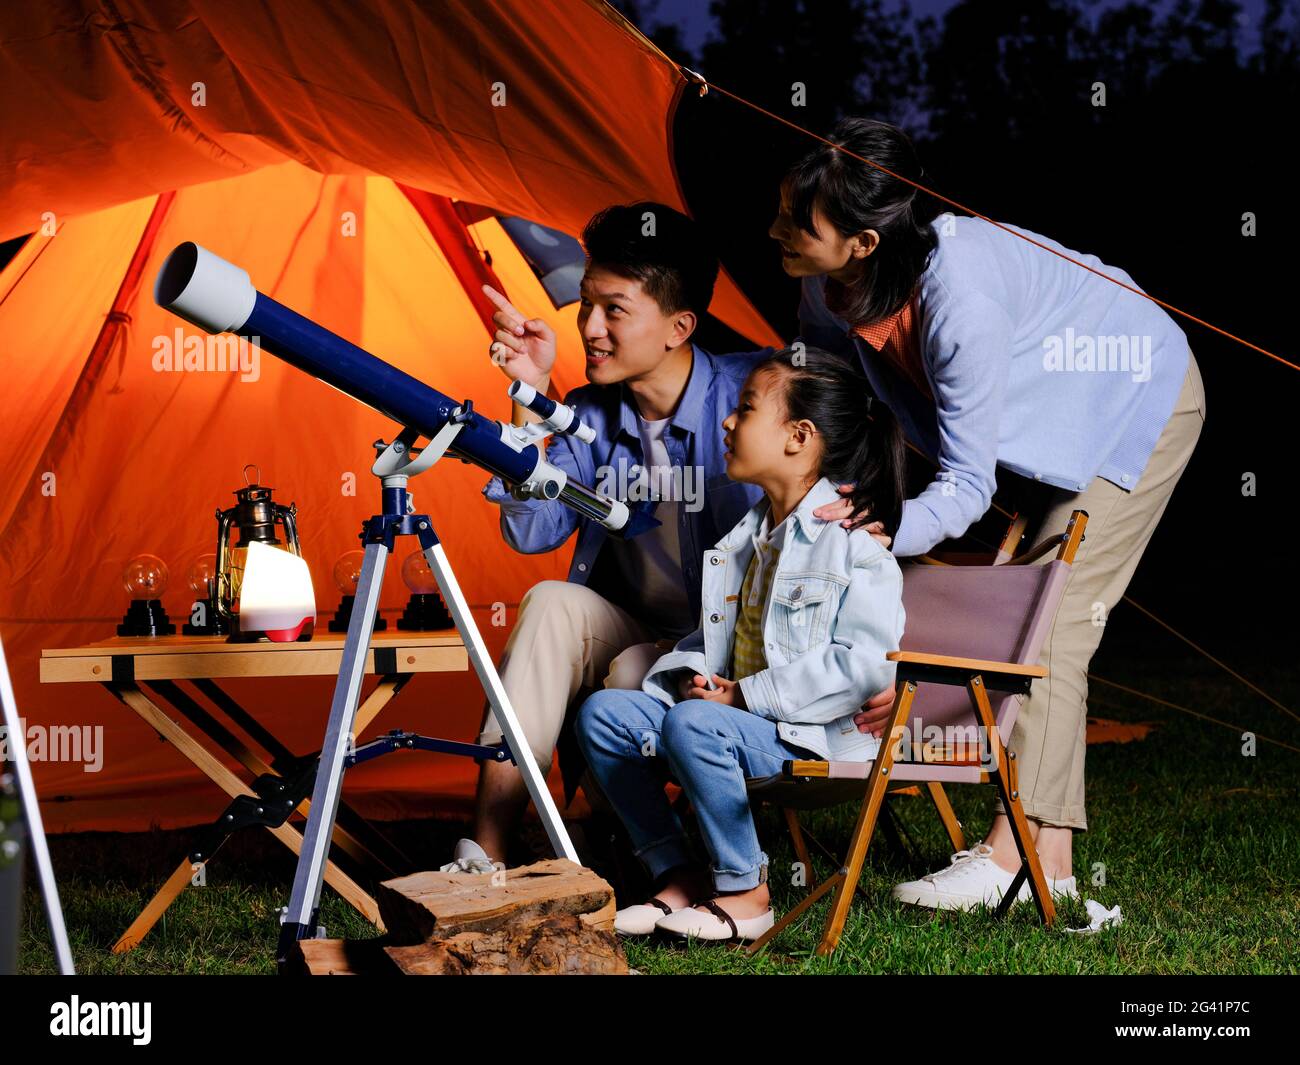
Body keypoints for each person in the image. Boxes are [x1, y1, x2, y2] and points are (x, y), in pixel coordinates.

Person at [770, 117, 1206, 909]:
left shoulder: (959, 299)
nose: (776, 232)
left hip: (1132, 391)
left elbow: (967, 487)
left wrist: (885, 528)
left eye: (798, 223)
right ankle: (1053, 870)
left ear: (864, 242)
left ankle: (1017, 859)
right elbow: (824, 393)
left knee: (1054, 619)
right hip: (1041, 421)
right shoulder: (821, 285)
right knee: (1031, 612)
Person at [440, 201, 772, 873]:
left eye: (614, 310)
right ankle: (485, 852)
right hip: (638, 628)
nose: (589, 327)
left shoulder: (756, 392)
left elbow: (845, 456)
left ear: (680, 326)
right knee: (550, 603)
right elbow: (532, 532)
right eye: (585, 305)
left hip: (736, 640)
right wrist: (529, 396)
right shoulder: (588, 416)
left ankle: (649, 851)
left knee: (627, 673)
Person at [574, 347, 907, 942]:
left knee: (695, 725)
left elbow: (862, 667)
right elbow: (714, 639)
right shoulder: (748, 538)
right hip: (735, 720)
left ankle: (746, 893)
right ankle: (677, 875)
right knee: (605, 715)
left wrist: (741, 699)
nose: (727, 422)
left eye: (745, 409)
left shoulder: (853, 544)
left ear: (798, 437)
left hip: (812, 737)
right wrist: (691, 676)